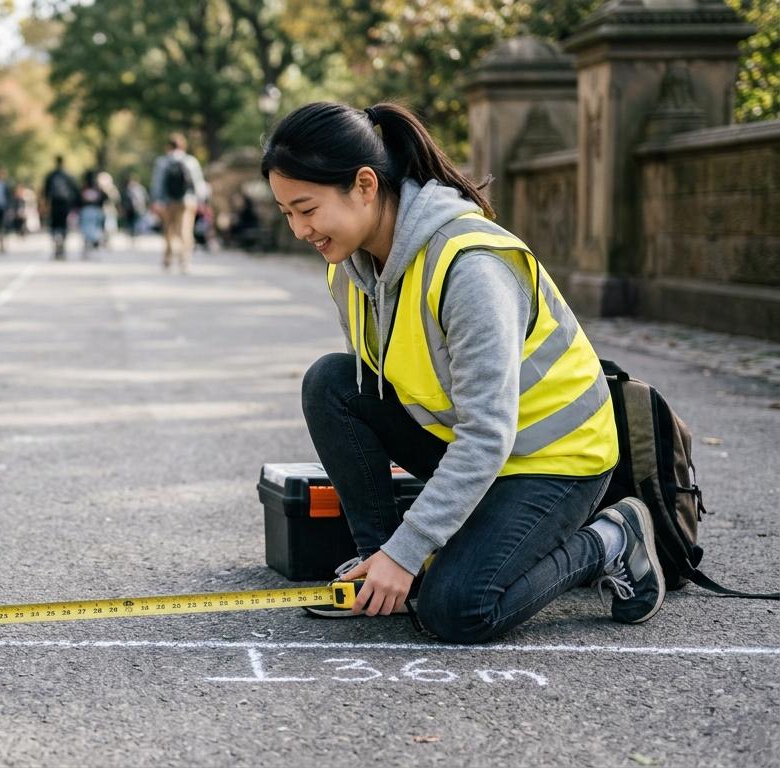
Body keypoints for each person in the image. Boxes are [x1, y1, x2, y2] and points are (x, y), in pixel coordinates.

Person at [263, 101, 660, 643]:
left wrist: (414, 545)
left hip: (555, 459)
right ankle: (380, 569)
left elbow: (487, 433)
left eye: (306, 208)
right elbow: (391, 394)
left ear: (363, 185)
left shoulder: (471, 267)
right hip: (472, 448)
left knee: (458, 610)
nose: (299, 229)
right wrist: (398, 552)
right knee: (331, 382)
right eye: (287, 213)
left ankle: (612, 539)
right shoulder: (351, 270)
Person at [150, 132, 206, 274]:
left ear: (168, 146)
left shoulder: (162, 162)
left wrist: (156, 201)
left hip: (167, 202)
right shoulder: (190, 161)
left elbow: (157, 183)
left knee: (168, 230)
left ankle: (168, 259)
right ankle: (185, 261)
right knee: (185, 231)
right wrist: (201, 201)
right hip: (187, 202)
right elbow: (198, 183)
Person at [42, 156, 77, 260]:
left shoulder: (51, 175)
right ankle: (63, 245)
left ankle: (56, 245)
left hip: (54, 204)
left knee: (54, 225)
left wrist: (45, 205)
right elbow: (74, 190)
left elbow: (46, 192)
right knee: (64, 225)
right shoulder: (68, 175)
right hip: (65, 204)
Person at [77, 170, 106, 258]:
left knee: (86, 230)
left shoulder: (83, 188)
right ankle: (95, 248)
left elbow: (78, 200)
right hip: (95, 210)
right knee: (95, 230)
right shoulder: (97, 188)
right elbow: (103, 198)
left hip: (85, 210)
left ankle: (87, 249)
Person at [121, 174, 149, 245]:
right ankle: (133, 235)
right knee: (132, 223)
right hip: (132, 210)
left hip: (137, 210)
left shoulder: (132, 190)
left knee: (135, 223)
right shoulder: (130, 190)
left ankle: (135, 235)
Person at [96, 171, 121, 252]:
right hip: (100, 211)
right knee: (101, 228)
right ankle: (101, 241)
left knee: (109, 227)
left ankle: (107, 241)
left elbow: (116, 199)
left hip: (109, 211)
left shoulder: (112, 189)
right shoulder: (97, 189)